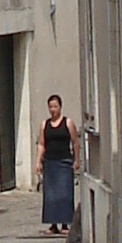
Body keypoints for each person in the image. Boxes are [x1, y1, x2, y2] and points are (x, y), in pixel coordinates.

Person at [35, 94, 78, 235]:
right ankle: (53, 224)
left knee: (65, 193)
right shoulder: (44, 125)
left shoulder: (68, 123)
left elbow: (75, 142)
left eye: (55, 106)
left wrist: (76, 160)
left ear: (60, 107)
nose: (53, 110)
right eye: (51, 107)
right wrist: (38, 162)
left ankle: (65, 224)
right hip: (50, 162)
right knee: (51, 194)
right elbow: (41, 144)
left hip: (64, 161)